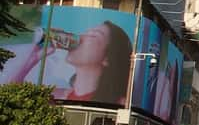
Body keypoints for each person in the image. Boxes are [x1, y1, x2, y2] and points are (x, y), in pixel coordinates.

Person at [2, 22, 132, 104]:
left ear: (107, 59)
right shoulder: (58, 95)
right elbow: (7, 97)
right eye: (85, 32)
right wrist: (33, 58)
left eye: (93, 35)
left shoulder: (121, 103)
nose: (81, 37)